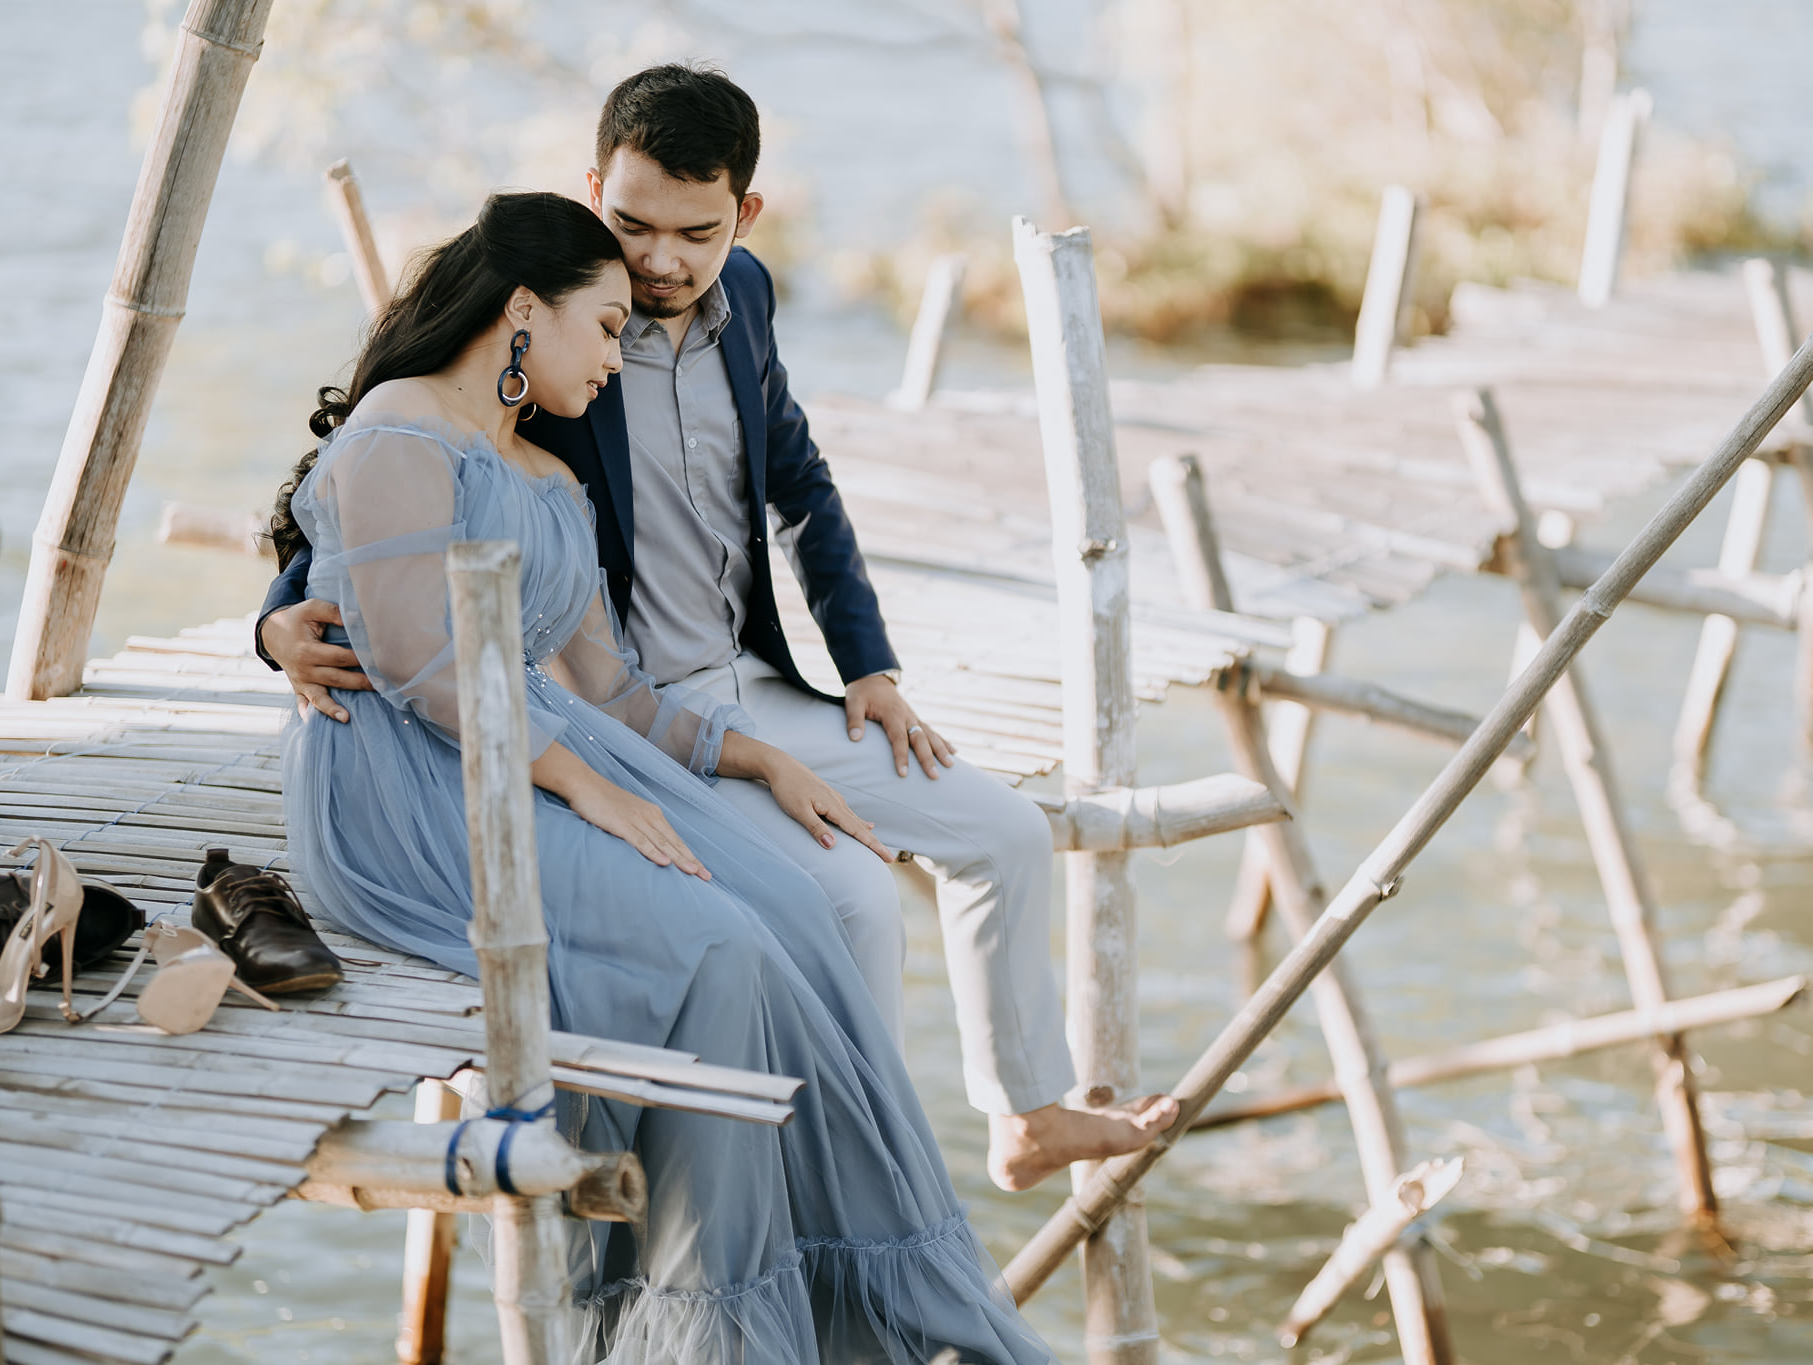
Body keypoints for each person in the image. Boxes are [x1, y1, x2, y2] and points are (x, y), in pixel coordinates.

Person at [258, 62, 1175, 1190]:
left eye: (693, 232)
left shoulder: (747, 302)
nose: (658, 261)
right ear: (593, 187)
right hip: (622, 705)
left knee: (1006, 834)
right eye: (630, 223)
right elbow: (368, 489)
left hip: (750, 679)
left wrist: (868, 665)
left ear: (742, 213)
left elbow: (799, 481)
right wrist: (274, 626)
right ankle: (856, 1171)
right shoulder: (542, 313)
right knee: (853, 901)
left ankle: (1025, 1113)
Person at [275, 189, 1055, 1363]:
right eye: (601, 327)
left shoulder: (547, 472)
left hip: (536, 744)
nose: (615, 357)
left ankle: (851, 1294)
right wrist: (585, 787)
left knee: (792, 906)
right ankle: (703, 1325)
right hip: (415, 779)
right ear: (522, 312)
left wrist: (759, 758)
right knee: (720, 950)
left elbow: (611, 689)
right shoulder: (396, 430)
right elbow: (409, 655)